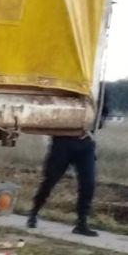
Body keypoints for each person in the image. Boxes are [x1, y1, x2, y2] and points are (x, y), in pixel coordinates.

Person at [27, 99, 109, 237]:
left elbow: (103, 110)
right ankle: (34, 212)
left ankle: (81, 223)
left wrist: (96, 123)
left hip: (86, 144)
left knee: (88, 183)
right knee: (50, 180)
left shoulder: (99, 88)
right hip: (62, 143)